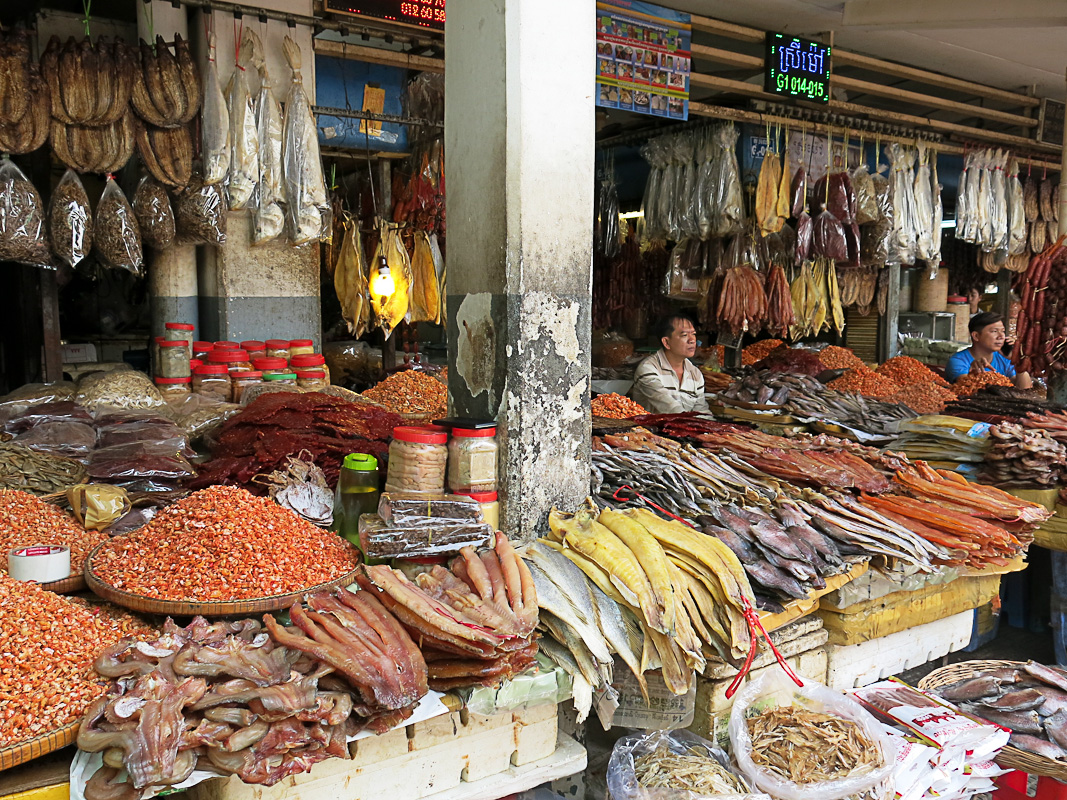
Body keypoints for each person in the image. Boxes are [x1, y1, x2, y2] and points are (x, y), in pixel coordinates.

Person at [630, 314, 710, 414]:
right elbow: (671, 408)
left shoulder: (695, 374)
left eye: (693, 334)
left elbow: (701, 411)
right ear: (666, 342)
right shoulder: (648, 368)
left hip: (685, 427)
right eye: (684, 335)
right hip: (650, 429)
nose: (692, 340)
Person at [944, 311, 1033, 389]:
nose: (1001, 336)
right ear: (976, 336)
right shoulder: (958, 361)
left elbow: (1025, 390)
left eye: (1002, 331)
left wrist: (1017, 361)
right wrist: (974, 373)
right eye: (994, 331)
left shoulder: (1005, 359)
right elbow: (966, 387)